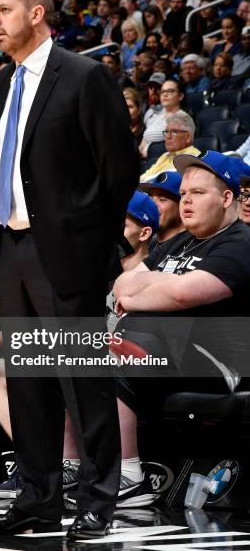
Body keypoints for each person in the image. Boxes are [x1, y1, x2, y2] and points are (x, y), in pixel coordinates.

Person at [0, 0, 138, 540]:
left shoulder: (85, 76)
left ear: (37, 13)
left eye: (1, 10)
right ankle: (37, 497)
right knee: (28, 385)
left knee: (82, 381)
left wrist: (91, 240)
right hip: (13, 249)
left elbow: (119, 170)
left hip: (67, 253)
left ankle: (98, 500)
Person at [113, 151, 250, 483]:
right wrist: (152, 288)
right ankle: (73, 464)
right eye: (184, 194)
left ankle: (128, 473)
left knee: (134, 327)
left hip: (221, 365)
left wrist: (148, 290)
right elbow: (122, 285)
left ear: (226, 198)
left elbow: (183, 294)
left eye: (198, 194)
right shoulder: (177, 243)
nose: (186, 202)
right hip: (171, 352)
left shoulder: (241, 242)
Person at [141, 112, 200, 180]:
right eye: (166, 132)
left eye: (174, 132)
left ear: (188, 137)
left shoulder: (193, 157)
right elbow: (143, 178)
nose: (168, 136)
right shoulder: (164, 156)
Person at [139, 171, 185, 246]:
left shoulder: (190, 246)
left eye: (162, 199)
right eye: (150, 198)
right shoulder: (145, 246)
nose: (152, 204)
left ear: (182, 206)